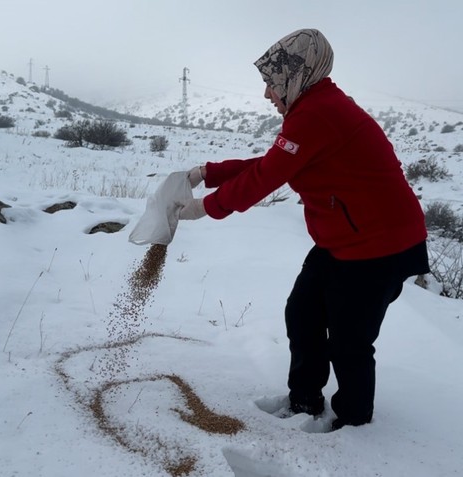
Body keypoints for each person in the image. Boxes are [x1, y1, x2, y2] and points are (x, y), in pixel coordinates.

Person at [176, 28, 429, 430]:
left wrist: (205, 208)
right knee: (304, 314)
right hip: (344, 240)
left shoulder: (319, 113)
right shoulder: (313, 108)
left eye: (270, 83)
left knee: (350, 340)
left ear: (296, 73)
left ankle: (353, 423)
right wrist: (207, 173)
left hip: (381, 246)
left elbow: (267, 176)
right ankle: (305, 400)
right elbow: (274, 162)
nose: (267, 94)